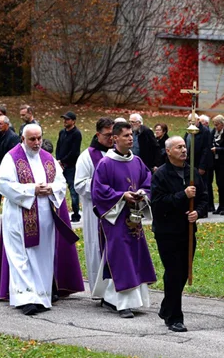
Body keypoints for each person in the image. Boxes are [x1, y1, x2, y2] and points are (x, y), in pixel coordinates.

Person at [0, 124, 85, 315]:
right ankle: (25, 298)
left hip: (44, 219)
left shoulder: (48, 158)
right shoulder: (11, 158)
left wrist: (51, 189)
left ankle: (41, 296)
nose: (36, 143)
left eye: (39, 138)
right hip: (18, 217)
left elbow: (61, 182)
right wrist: (31, 190)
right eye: (32, 139)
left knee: (43, 257)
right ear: (22, 139)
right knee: (21, 258)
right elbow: (4, 185)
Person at [91, 121, 156, 319]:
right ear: (115, 139)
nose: (130, 139)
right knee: (120, 257)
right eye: (126, 135)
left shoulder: (136, 161)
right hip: (115, 218)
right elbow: (99, 191)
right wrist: (122, 196)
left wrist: (142, 194)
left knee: (133, 255)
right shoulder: (105, 164)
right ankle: (122, 303)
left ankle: (114, 297)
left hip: (133, 215)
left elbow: (147, 181)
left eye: (131, 135)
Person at [150, 136, 208, 333]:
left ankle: (166, 306)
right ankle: (174, 317)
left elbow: (204, 198)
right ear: (168, 151)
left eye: (184, 147)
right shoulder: (161, 175)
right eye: (179, 147)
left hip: (188, 231)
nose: (183, 150)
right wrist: (183, 195)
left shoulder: (192, 172)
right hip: (167, 232)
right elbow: (158, 205)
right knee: (174, 272)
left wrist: (197, 212)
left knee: (184, 272)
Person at [74, 117, 115, 293]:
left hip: (119, 210)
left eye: (114, 134)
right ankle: (101, 291)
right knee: (97, 249)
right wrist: (103, 188)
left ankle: (118, 289)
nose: (111, 139)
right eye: (107, 135)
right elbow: (79, 184)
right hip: (96, 212)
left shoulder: (118, 153)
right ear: (98, 134)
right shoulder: (87, 157)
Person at [184, 113, 213, 218]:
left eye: (192, 120)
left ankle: (203, 210)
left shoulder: (204, 131)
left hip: (200, 163)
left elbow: (206, 150)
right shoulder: (189, 130)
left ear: (198, 120)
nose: (190, 123)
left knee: (203, 187)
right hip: (190, 163)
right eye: (188, 121)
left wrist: (202, 166)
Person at [56, 111, 82, 222]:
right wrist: (58, 160)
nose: (65, 121)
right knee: (58, 188)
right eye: (64, 119)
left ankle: (76, 214)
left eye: (67, 119)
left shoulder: (76, 134)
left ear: (73, 121)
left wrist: (63, 160)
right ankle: (59, 212)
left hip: (71, 166)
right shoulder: (62, 132)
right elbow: (58, 146)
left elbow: (74, 152)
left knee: (73, 191)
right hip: (60, 165)